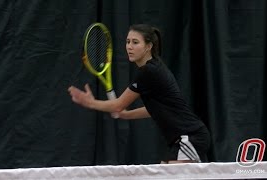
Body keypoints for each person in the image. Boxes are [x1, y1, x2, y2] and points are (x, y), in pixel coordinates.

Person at [68, 24, 210, 163]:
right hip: (179, 139)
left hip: (190, 136)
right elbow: (154, 109)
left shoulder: (149, 72)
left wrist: (90, 103)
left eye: (135, 42)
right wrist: (126, 114)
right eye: (128, 42)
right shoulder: (154, 68)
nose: (129, 46)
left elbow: (118, 105)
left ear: (149, 46)